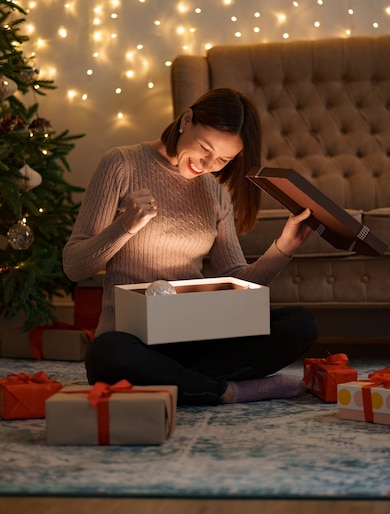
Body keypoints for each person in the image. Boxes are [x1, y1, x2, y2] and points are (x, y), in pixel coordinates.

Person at [63, 87, 318, 405]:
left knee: (300, 324)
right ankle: (226, 390)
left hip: (197, 338)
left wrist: (284, 247)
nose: (208, 164)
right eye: (204, 148)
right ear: (186, 120)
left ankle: (183, 382)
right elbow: (74, 266)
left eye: (223, 159)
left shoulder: (215, 192)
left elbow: (236, 278)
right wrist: (124, 227)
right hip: (133, 341)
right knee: (106, 354)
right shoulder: (121, 165)